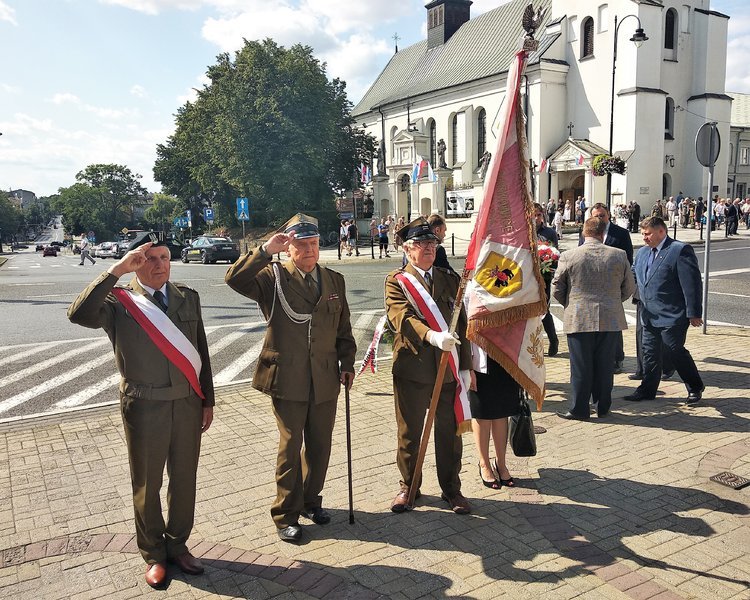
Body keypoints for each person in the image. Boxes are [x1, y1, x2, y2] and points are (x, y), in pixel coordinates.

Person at [67, 237, 214, 588]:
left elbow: (202, 351)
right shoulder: (118, 302)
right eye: (149, 258)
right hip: (144, 405)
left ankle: (178, 545)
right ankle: (153, 554)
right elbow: (78, 314)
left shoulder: (186, 297)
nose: (160, 264)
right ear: (136, 262)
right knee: (147, 483)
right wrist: (116, 271)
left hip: (186, 402)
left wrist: (207, 400)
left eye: (165, 257)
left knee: (184, 479)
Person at [224, 214, 356, 543]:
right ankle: (286, 513)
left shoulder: (334, 280)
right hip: (288, 377)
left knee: (320, 446)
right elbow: (234, 279)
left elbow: (344, 329)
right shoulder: (273, 278)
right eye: (301, 244)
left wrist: (348, 362)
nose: (309, 250)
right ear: (289, 248)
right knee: (290, 446)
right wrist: (265, 250)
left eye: (313, 244)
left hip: (325, 377)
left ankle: (311, 501)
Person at [385, 217, 472, 515]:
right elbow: (401, 317)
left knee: (449, 433)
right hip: (413, 368)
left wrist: (466, 367)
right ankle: (409, 486)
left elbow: (463, 323)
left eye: (432, 244)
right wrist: (432, 336)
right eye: (421, 245)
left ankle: (452, 489)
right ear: (408, 250)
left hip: (448, 368)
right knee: (410, 433)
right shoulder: (397, 281)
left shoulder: (451, 279)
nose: (428, 249)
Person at [553, 218, 635, 420]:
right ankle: (603, 407)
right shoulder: (619, 255)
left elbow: (557, 287)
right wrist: (614, 301)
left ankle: (579, 409)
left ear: (584, 233)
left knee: (581, 366)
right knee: (605, 365)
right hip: (610, 318)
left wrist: (570, 303)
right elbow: (629, 287)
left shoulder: (569, 256)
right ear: (603, 233)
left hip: (579, 317)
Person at [625, 217, 705, 405]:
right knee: (650, 353)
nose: (644, 238)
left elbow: (692, 284)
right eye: (643, 234)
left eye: (648, 234)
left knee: (674, 351)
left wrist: (694, 313)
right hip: (648, 314)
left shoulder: (679, 250)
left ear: (661, 232)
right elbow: (634, 274)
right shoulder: (643, 252)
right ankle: (647, 389)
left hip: (673, 314)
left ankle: (694, 386)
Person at [581, 203, 634, 373]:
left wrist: (622, 288)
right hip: (591, 287)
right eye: (595, 216)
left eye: (602, 216)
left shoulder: (621, 234)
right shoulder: (586, 232)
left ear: (609, 215)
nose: (599, 219)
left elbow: (628, 262)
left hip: (613, 286)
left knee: (614, 324)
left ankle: (617, 358)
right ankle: (600, 357)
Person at [470, 346, 520, 489]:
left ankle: (501, 464)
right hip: (479, 357)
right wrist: (467, 367)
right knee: (482, 412)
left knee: (501, 412)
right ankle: (484, 463)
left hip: (506, 356)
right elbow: (464, 330)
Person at [534, 203, 559, 357]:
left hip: (544, 277)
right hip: (526, 278)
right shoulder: (522, 231)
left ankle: (553, 339)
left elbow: (555, 254)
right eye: (533, 214)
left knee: (544, 310)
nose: (536, 218)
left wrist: (546, 262)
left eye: (538, 214)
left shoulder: (549, 233)